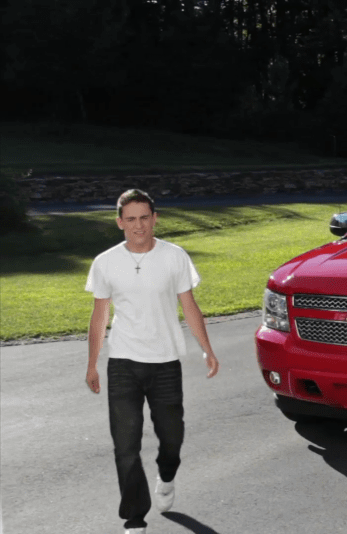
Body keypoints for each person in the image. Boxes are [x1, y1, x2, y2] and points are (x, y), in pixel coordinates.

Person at [85, 189, 219, 534]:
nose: (138, 225)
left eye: (144, 217)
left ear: (155, 218)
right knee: (125, 445)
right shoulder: (105, 262)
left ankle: (168, 473)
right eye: (130, 219)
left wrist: (207, 347)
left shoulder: (174, 257)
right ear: (119, 222)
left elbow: (189, 306)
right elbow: (99, 316)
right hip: (123, 364)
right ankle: (134, 517)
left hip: (165, 363)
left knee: (172, 438)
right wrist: (92, 364)